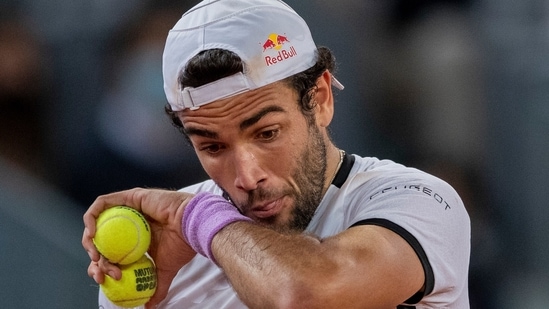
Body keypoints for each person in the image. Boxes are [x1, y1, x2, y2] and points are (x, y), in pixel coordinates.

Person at [82, 0, 471, 308]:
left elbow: (304, 296)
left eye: (267, 133)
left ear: (320, 99)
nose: (247, 177)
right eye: (212, 147)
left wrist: (197, 218)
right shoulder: (160, 262)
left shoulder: (417, 202)